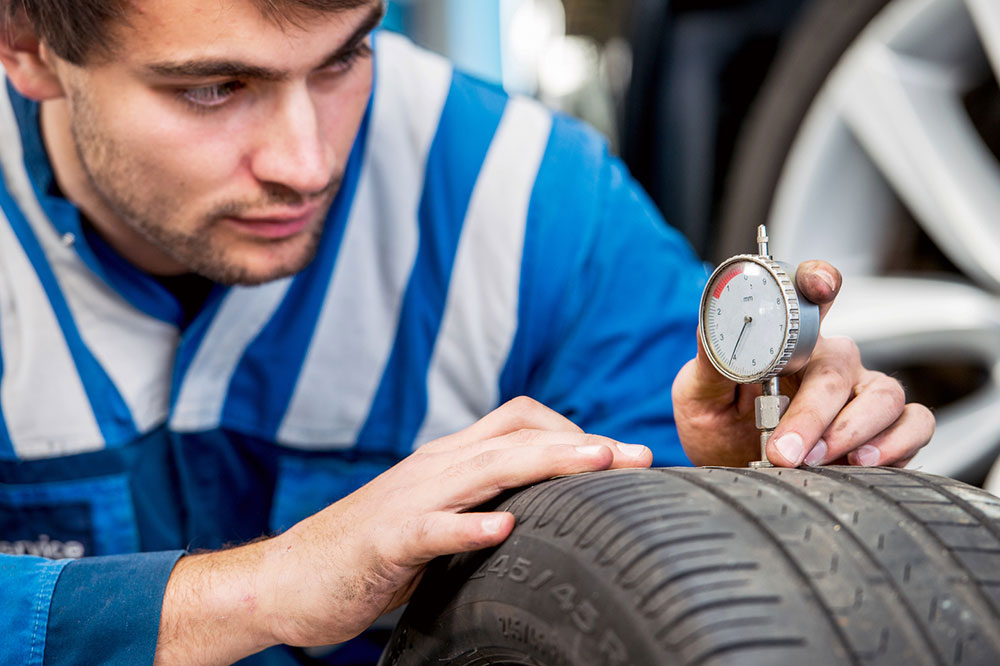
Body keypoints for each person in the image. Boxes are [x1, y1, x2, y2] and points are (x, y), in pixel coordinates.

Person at [0, 0, 934, 664]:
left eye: (343, 57)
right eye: (212, 88)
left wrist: (743, 488)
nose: (307, 162)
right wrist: (260, 590)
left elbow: (696, 578)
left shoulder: (521, 196)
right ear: (28, 41)